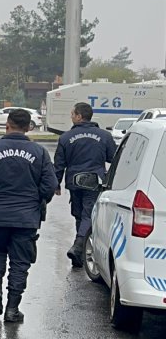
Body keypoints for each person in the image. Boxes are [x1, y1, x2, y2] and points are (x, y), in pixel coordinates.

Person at [0, 108, 57, 324]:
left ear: (7, 124)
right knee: (20, 262)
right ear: (28, 127)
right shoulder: (39, 152)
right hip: (26, 217)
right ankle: (12, 309)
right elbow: (50, 185)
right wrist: (37, 201)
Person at [53, 102, 117, 269]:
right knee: (89, 215)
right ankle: (80, 247)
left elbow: (59, 164)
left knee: (80, 215)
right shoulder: (104, 136)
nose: (71, 117)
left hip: (74, 182)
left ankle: (78, 249)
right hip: (94, 182)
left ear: (79, 116)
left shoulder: (66, 138)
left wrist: (56, 183)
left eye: (73, 114)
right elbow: (113, 159)